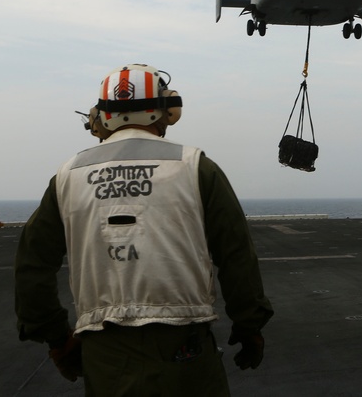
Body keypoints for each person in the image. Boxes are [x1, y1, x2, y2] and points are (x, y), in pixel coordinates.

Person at [14, 64, 273, 396]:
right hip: (185, 349)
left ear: (100, 115)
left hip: (104, 351)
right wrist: (249, 326)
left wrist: (56, 339)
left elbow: (32, 264)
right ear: (166, 111)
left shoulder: (68, 176)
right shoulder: (196, 167)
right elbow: (236, 255)